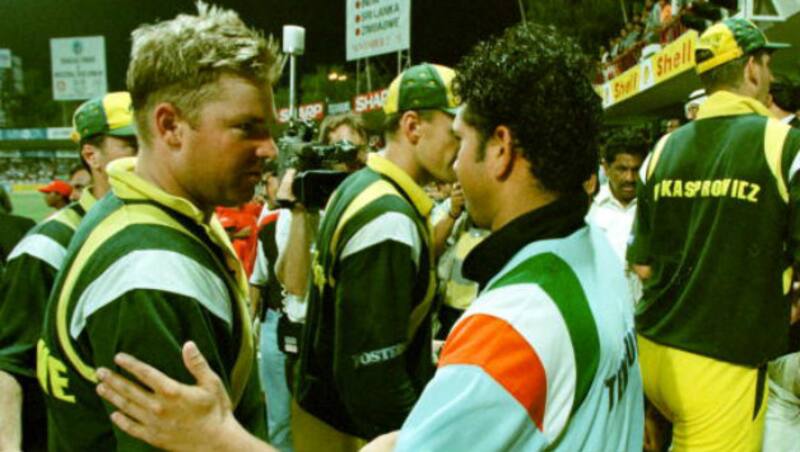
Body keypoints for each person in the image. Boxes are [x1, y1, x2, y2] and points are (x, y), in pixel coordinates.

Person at [94, 23, 644, 452]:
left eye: (462, 137)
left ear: (500, 149)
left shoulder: (514, 323)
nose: (456, 157)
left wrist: (221, 440)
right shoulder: (593, 247)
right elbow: (367, 368)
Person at [36, 4, 281, 450]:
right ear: (170, 126)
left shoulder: (137, 205)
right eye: (247, 128)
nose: (270, 149)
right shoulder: (149, 272)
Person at [627, 18, 798, 451]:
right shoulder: (783, 144)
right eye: (767, 64)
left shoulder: (662, 149)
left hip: (651, 358)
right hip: (720, 365)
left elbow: (642, 263)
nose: (771, 78)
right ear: (752, 70)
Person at [0, 91, 137, 452]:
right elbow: (11, 365)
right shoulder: (50, 245)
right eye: (130, 143)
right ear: (91, 155)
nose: (144, 153)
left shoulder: (163, 228)